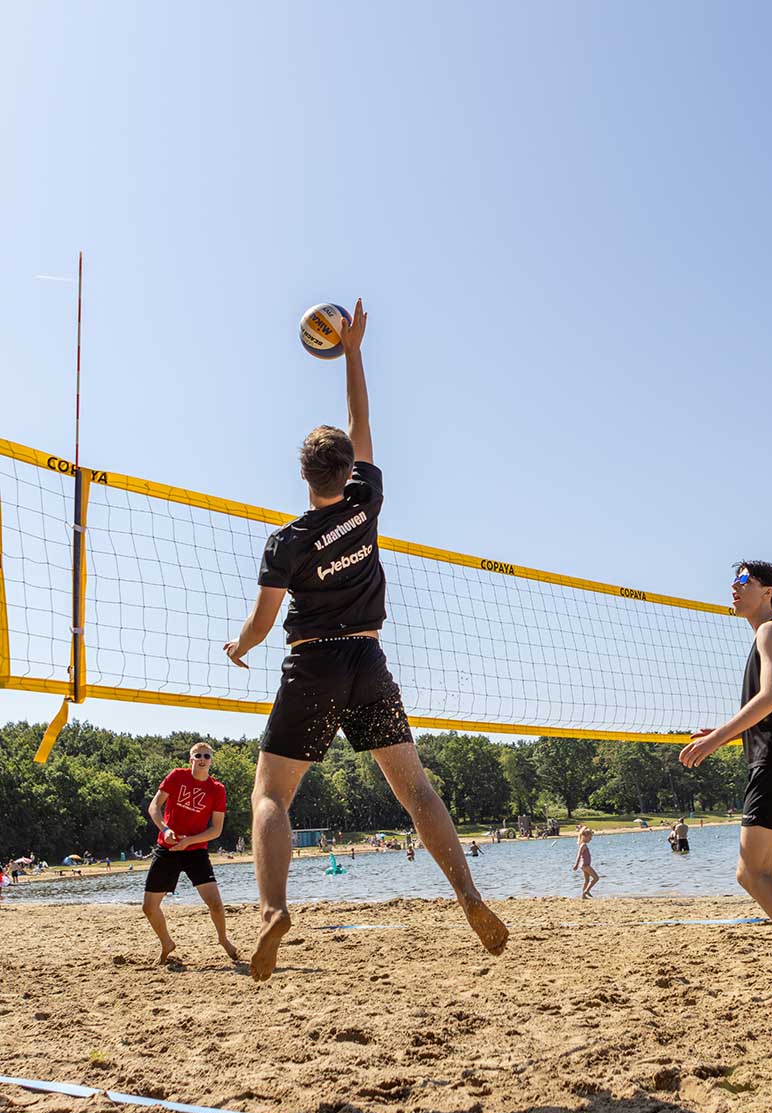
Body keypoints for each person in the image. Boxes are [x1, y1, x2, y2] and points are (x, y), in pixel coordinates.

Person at [224, 299, 508, 981]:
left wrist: (240, 648)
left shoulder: (284, 543)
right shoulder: (365, 501)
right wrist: (352, 350)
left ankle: (271, 912)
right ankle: (468, 895)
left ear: (303, 476)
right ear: (347, 469)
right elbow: (363, 421)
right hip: (369, 660)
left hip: (312, 665)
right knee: (414, 789)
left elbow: (264, 623)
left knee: (271, 794)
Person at [679, 561, 772, 1011]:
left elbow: (770, 699)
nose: (734, 586)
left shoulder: (771, 633)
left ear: (768, 592)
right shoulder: (771, 636)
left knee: (750, 873)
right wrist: (723, 730)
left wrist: (715, 740)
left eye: (744, 581)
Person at [142, 742, 238, 965]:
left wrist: (190, 841)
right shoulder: (176, 776)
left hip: (195, 851)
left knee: (215, 903)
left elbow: (216, 829)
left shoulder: (217, 789)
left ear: (211, 761)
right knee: (149, 907)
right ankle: (167, 943)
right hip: (168, 848)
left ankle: (223, 940)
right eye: (198, 755)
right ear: (190, 759)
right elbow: (153, 807)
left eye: (206, 756)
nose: (202, 759)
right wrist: (165, 830)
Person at [573, 828, 599, 898]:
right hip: (585, 865)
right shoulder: (583, 845)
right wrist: (576, 865)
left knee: (587, 880)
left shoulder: (583, 845)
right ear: (585, 836)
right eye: (590, 838)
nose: (591, 839)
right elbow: (578, 855)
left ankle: (583, 896)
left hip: (584, 865)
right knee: (596, 878)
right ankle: (586, 891)